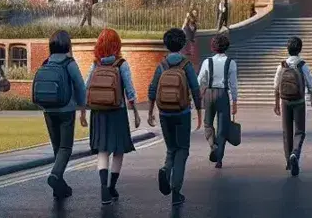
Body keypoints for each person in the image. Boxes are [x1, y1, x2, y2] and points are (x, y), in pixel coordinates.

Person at [86, 28, 142, 206]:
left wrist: (82, 112)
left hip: (98, 113)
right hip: (117, 112)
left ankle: (103, 187)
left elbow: (86, 87)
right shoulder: (121, 64)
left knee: (103, 150)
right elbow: (130, 91)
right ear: (117, 45)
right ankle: (111, 187)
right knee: (118, 150)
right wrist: (135, 113)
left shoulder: (96, 64)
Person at [148, 27, 202, 207]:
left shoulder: (162, 65)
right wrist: (200, 112)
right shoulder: (186, 65)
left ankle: (165, 169)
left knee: (171, 149)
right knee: (183, 149)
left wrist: (150, 111)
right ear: (182, 44)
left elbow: (153, 89)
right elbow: (195, 88)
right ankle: (176, 192)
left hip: (164, 113)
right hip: (182, 112)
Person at [36, 30, 87, 199]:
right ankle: (55, 176)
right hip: (66, 110)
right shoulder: (69, 63)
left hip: (48, 110)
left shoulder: (46, 62)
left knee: (57, 148)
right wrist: (82, 107)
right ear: (67, 45)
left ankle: (59, 187)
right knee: (66, 148)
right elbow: (80, 86)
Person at [273, 35, 312, 176]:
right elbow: (311, 84)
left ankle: (288, 161)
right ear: (300, 49)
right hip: (299, 102)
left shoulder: (282, 65)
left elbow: (276, 85)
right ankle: (295, 154)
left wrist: (276, 104)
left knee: (286, 132)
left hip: (285, 101)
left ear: (287, 49)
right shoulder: (302, 65)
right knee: (299, 131)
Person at [197, 32, 238, 167]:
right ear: (226, 47)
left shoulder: (207, 61)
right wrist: (235, 102)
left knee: (208, 123)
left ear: (213, 47)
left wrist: (201, 92)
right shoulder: (231, 63)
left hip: (209, 93)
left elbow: (200, 80)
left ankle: (213, 145)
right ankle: (219, 158)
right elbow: (233, 84)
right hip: (223, 94)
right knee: (222, 127)